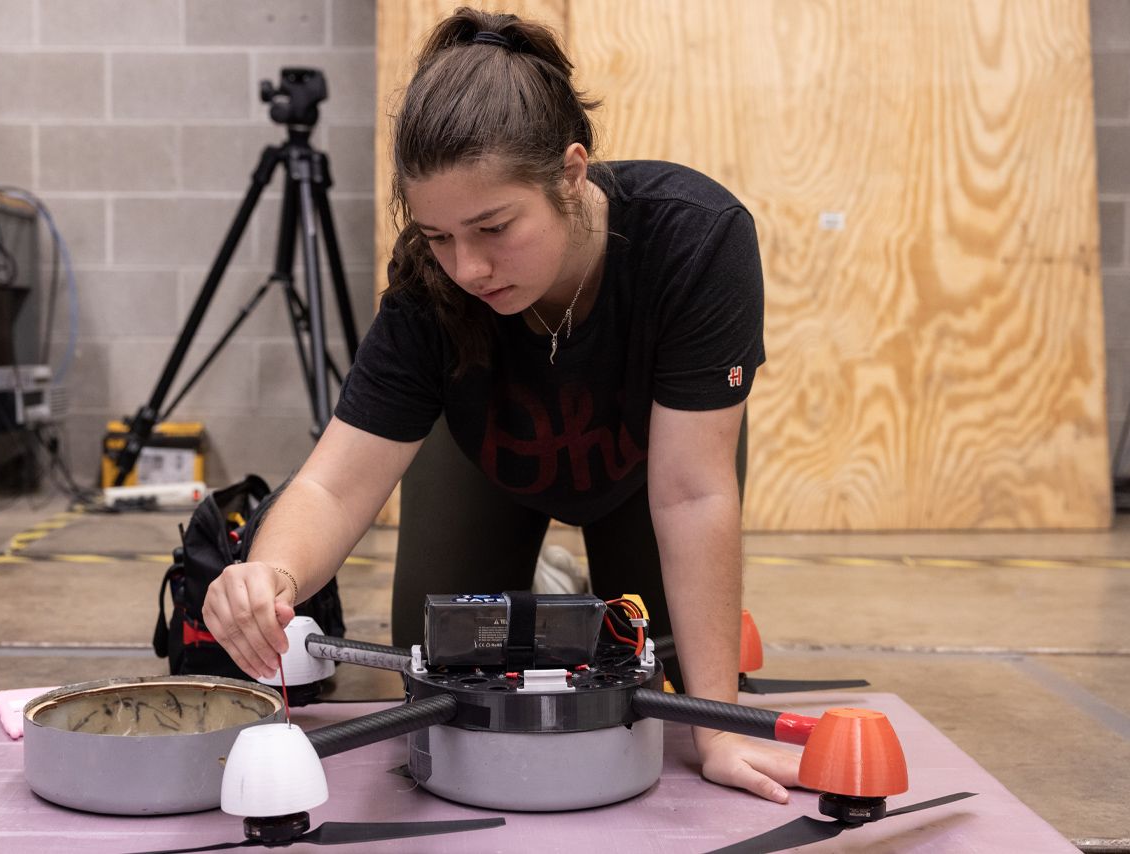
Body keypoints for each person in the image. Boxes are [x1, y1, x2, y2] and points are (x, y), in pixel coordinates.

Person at [202, 7, 800, 803]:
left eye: (493, 227)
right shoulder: (431, 287)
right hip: (491, 451)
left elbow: (692, 494)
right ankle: (544, 576)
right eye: (438, 235)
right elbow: (334, 485)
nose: (469, 267)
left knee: (670, 691)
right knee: (441, 683)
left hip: (655, 461)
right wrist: (268, 574)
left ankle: (577, 594)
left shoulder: (696, 237)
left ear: (571, 172)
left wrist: (719, 725)